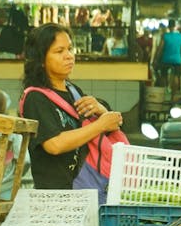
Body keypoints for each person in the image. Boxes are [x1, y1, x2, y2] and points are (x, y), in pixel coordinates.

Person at [18, 23, 122, 190]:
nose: (69, 56)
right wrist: (101, 125)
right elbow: (54, 144)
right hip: (55, 194)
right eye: (59, 51)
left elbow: (106, 126)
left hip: (84, 187)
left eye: (70, 49)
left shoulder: (73, 91)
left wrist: (101, 111)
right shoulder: (35, 97)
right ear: (41, 59)